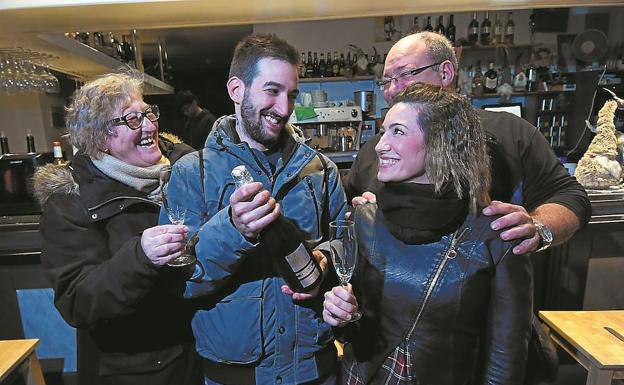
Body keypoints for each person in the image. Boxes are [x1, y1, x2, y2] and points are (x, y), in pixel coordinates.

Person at [160, 34, 347, 385]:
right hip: (233, 376)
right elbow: (178, 283)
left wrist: (326, 261)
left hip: (314, 370)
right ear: (236, 89)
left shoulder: (322, 171)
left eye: (291, 94)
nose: (284, 107)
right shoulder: (191, 173)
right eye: (272, 91)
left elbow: (345, 244)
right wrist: (234, 230)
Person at [323, 83, 533, 385]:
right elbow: (356, 329)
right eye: (383, 132)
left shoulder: (496, 232)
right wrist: (341, 314)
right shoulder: (365, 218)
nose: (380, 145)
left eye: (397, 132)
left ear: (441, 143)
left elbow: (505, 361)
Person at [346, 31, 590, 256]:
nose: (392, 89)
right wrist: (361, 216)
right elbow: (349, 223)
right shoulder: (375, 150)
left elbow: (571, 197)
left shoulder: (510, 133)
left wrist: (538, 227)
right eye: (386, 81)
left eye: (405, 74)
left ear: (445, 73)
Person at [33, 72, 201, 385]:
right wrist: (140, 257)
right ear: (101, 138)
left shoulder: (187, 164)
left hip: (207, 354)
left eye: (148, 113)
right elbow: (78, 300)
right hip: (141, 371)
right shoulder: (71, 200)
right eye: (133, 120)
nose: (150, 125)